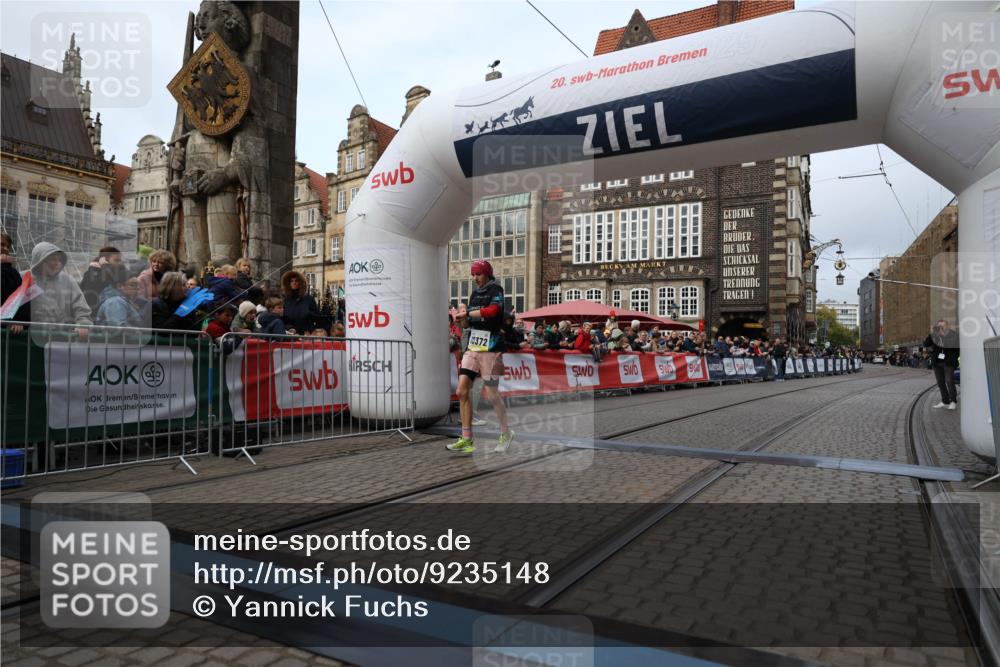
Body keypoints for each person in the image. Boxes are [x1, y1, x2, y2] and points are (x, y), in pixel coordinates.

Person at [449, 259, 513, 455]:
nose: (474, 278)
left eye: (478, 274)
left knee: (493, 395)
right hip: (473, 347)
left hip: (491, 348)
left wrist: (467, 312)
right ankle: (467, 438)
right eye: (473, 274)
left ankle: (506, 433)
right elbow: (468, 325)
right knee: (461, 391)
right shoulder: (475, 293)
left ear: (486, 273)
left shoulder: (496, 289)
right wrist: (462, 318)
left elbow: (494, 311)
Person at [25, 242, 92, 338]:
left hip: (62, 340)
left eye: (59, 259)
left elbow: (80, 306)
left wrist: (83, 324)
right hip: (31, 340)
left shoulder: (68, 280)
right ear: (41, 261)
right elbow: (13, 306)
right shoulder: (25, 278)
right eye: (53, 259)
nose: (58, 263)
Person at [924, 320, 960, 409]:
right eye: (939, 326)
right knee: (940, 382)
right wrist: (932, 334)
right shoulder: (935, 335)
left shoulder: (954, 335)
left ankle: (953, 401)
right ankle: (945, 401)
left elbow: (951, 345)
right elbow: (926, 343)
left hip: (949, 362)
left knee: (949, 381)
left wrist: (943, 335)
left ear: (947, 326)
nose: (941, 328)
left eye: (942, 326)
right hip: (937, 361)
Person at [79, 246, 123, 311]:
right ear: (104, 260)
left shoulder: (114, 274)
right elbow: (92, 294)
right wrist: (105, 268)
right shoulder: (92, 274)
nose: (119, 263)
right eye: (116, 260)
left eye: (120, 261)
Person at [1, 233, 29, 332]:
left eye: (7, 246)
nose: (6, 249)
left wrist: (19, 320)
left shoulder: (12, 272)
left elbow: (21, 297)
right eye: (1, 244)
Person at [281, 270, 319, 334]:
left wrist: (307, 314)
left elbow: (316, 317)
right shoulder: (285, 299)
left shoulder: (309, 299)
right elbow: (282, 318)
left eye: (296, 281)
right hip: (290, 334)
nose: (294, 283)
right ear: (288, 283)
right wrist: (289, 328)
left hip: (305, 334)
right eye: (291, 281)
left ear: (300, 282)